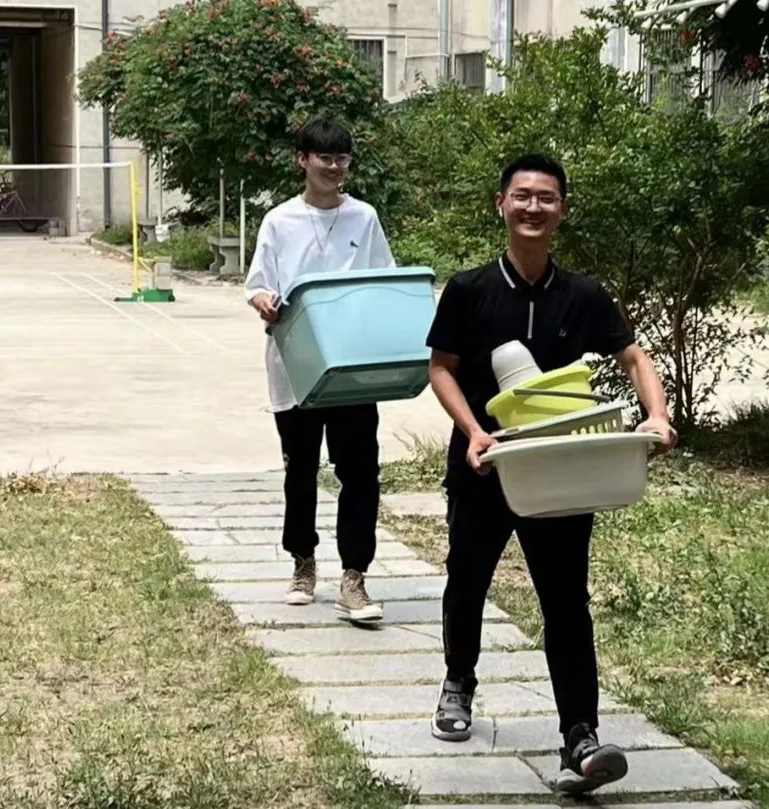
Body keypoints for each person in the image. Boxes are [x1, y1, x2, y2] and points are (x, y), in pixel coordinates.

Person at [424, 153, 677, 794]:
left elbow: (633, 356)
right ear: (501, 205)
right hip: (485, 464)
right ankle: (458, 682)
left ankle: (580, 737)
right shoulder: (469, 290)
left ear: (562, 209)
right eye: (522, 196)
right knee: (467, 580)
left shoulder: (582, 295)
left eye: (546, 198)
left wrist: (657, 414)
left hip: (561, 470)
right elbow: (442, 369)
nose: (533, 207)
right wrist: (474, 430)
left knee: (566, 601)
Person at [245, 117, 394, 624]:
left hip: (352, 365)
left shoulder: (364, 218)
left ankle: (354, 576)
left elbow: (383, 279)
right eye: (325, 158)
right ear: (302, 160)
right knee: (301, 467)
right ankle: (302, 561)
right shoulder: (279, 220)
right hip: (296, 361)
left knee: (360, 471)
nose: (334, 167)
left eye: (342, 158)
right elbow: (258, 283)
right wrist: (263, 301)